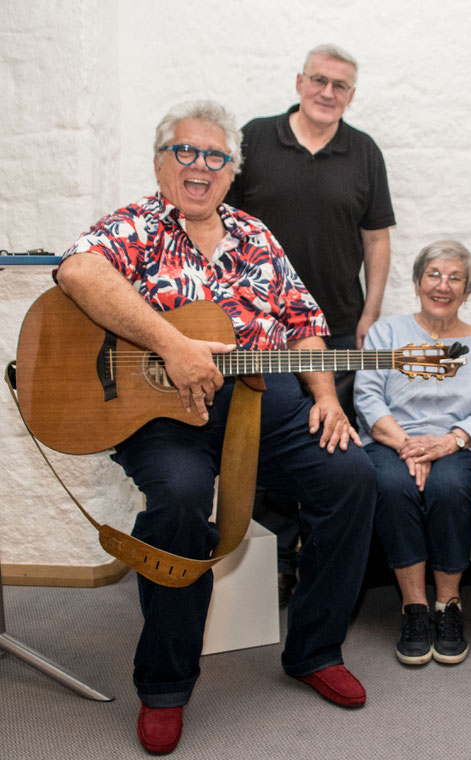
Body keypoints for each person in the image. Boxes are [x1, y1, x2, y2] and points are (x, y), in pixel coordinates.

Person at [55, 100, 377, 755]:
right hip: (161, 415)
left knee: (351, 476)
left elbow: (305, 322)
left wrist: (326, 396)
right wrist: (170, 343)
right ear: (160, 162)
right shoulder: (136, 226)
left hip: (260, 396)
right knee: (176, 504)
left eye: (215, 156)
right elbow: (77, 270)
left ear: (231, 171)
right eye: (185, 151)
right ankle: (166, 687)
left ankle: (315, 649)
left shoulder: (255, 235)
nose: (199, 166)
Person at [224, 43, 395, 602]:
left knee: (327, 449)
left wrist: (371, 311)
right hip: (258, 333)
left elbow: (376, 236)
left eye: (340, 86)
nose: (328, 93)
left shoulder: (364, 152)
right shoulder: (253, 138)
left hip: (338, 328)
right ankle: (274, 562)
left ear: (351, 95)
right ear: (299, 82)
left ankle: (319, 566)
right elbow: (222, 222)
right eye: (319, 81)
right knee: (266, 446)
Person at [354, 241, 471, 666]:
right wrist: (407, 445)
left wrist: (447, 442)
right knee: (389, 482)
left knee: (450, 486)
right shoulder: (386, 334)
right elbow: (367, 396)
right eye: (434, 275)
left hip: (453, 443)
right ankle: (415, 608)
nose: (443, 285)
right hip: (391, 439)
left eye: (455, 277)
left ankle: (449, 605)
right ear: (419, 282)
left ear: (467, 289)